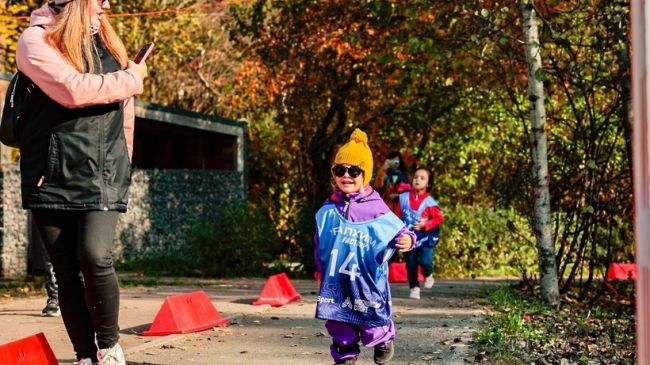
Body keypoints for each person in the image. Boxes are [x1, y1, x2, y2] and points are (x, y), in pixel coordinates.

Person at [15, 0, 148, 364]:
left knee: (94, 255)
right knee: (65, 270)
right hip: (51, 175)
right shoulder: (35, 40)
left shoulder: (108, 43)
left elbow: (125, 114)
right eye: (98, 0)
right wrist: (132, 79)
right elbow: (72, 90)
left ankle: (109, 347)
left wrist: (126, 159)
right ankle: (85, 355)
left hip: (103, 174)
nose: (105, 6)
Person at [314, 129, 416, 365]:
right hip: (336, 280)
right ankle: (345, 354)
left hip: (366, 280)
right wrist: (319, 266)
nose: (346, 176)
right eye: (340, 170)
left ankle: (383, 338)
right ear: (334, 174)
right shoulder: (328, 208)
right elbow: (321, 239)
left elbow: (400, 229)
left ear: (366, 174)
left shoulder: (375, 207)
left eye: (354, 171)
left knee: (370, 319)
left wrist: (408, 240)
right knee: (338, 319)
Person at [395, 167, 444, 300]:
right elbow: (397, 217)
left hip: (426, 236)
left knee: (425, 261)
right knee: (410, 263)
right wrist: (398, 233)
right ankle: (414, 287)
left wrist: (425, 225)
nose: (418, 180)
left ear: (428, 184)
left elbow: (439, 218)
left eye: (422, 178)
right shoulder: (403, 198)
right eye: (416, 177)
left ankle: (428, 274)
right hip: (409, 236)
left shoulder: (430, 203)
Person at [374, 151, 409, 215]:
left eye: (396, 161)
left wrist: (398, 196)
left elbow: (407, 194)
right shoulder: (384, 174)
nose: (395, 163)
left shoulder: (404, 177)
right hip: (383, 208)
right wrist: (383, 169)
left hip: (398, 210)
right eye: (392, 161)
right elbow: (378, 186)